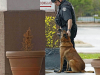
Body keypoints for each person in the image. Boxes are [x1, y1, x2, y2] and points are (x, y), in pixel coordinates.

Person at [51, 0, 77, 72]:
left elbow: (69, 19)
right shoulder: (61, 5)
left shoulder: (65, 6)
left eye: (56, 2)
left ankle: (68, 67)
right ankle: (66, 67)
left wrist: (68, 30)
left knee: (69, 50)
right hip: (64, 28)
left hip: (68, 29)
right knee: (67, 50)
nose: (55, 4)